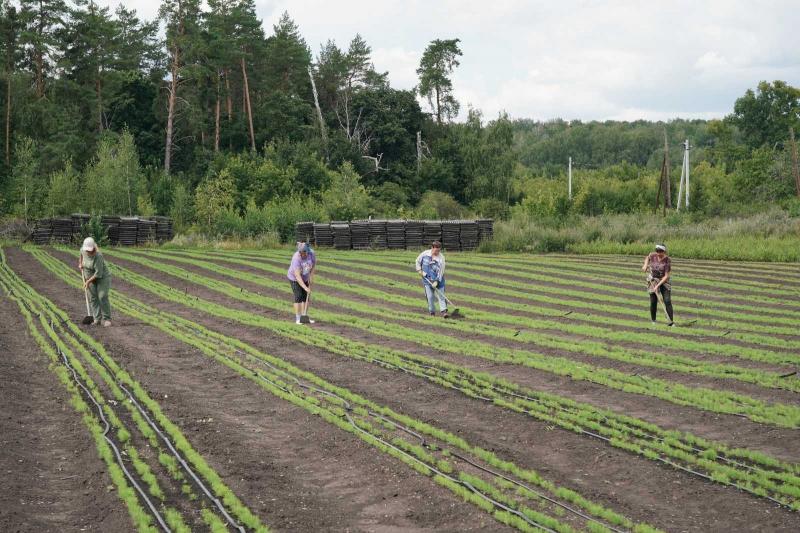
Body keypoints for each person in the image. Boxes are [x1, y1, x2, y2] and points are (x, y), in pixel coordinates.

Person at [78, 237, 112, 327]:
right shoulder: (83, 250)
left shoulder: (98, 256)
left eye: (90, 250)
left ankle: (107, 319)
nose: (88, 252)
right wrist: (80, 264)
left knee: (102, 296)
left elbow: (98, 274)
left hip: (102, 277)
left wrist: (88, 282)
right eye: (87, 250)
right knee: (93, 297)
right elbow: (81, 256)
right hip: (88, 274)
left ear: (93, 248)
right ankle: (97, 319)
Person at [642, 243, 674, 326]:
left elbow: (666, 276)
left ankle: (670, 322)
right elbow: (647, 257)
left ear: (664, 251)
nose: (659, 253)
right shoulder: (652, 255)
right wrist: (645, 265)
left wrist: (657, 286)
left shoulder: (667, 260)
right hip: (653, 280)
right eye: (657, 251)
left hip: (664, 281)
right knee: (653, 301)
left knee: (667, 301)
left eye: (661, 251)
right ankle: (653, 321)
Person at [415, 241, 448, 318]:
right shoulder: (425, 254)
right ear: (432, 248)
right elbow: (417, 261)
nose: (437, 252)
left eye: (439, 250)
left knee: (441, 296)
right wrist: (419, 270)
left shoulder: (441, 258)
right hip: (427, 280)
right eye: (436, 250)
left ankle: (444, 312)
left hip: (438, 280)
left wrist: (436, 281)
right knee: (430, 297)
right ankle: (432, 312)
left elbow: (441, 271)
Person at [287, 242, 316, 324]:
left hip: (305, 277)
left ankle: (304, 317)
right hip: (294, 279)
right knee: (299, 296)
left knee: (306, 297)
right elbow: (297, 276)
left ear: (307, 251)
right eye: (301, 253)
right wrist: (305, 288)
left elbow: (313, 265)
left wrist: (311, 276)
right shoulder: (296, 258)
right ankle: (298, 319)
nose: (302, 254)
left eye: (304, 253)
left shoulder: (312, 253)